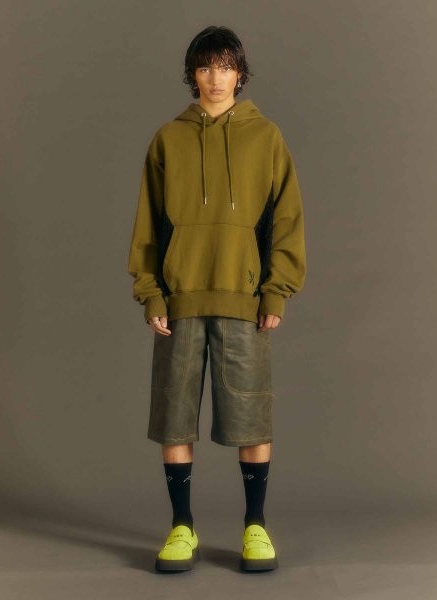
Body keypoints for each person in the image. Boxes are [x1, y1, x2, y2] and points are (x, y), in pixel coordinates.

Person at [127, 25, 306, 573]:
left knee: (252, 419)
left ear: (241, 74)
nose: (215, 78)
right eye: (205, 66)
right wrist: (151, 293)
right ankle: (181, 526)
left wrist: (275, 291)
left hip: (243, 300)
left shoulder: (266, 137)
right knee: (175, 419)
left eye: (226, 66)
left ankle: (256, 526)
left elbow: (286, 220)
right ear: (193, 74)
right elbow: (148, 226)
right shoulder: (168, 139)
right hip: (178, 301)